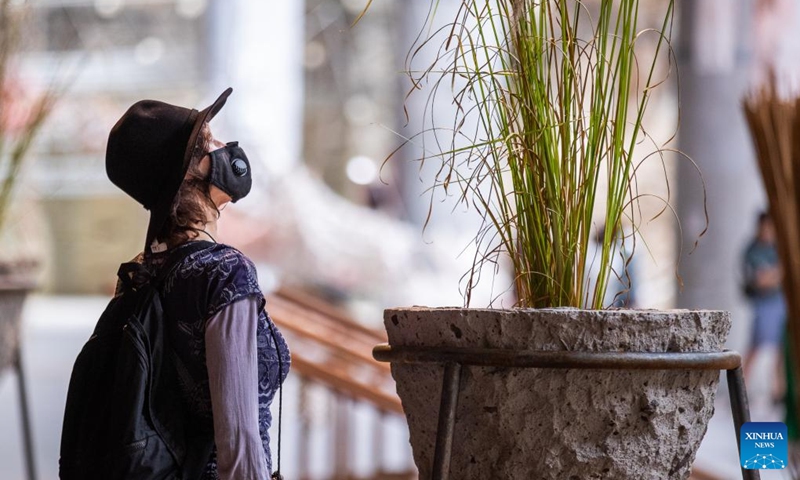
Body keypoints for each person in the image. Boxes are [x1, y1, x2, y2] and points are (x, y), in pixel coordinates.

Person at [105, 88, 291, 479]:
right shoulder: (225, 273)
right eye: (208, 142)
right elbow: (238, 441)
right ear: (187, 173)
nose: (224, 147)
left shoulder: (147, 270)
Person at [741, 211, 786, 384]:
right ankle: (741, 385)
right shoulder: (752, 250)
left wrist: (773, 276)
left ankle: (779, 389)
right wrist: (775, 275)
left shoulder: (777, 247)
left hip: (780, 302)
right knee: (756, 346)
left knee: (781, 350)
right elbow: (759, 280)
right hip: (763, 304)